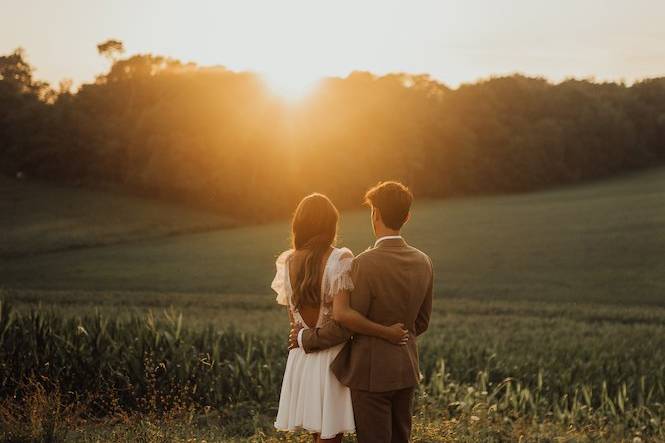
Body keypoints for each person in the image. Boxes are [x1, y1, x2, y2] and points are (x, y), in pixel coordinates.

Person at [293, 181, 434, 443]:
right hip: (405, 368)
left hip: (370, 375)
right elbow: (421, 322)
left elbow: (346, 322)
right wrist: (396, 337)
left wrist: (305, 338)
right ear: (407, 216)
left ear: (375, 214)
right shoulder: (423, 261)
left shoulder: (363, 264)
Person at [272, 193, 410, 442]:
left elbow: (294, 324)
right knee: (331, 436)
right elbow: (342, 318)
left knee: (319, 435)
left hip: (302, 358)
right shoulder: (340, 258)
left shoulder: (288, 261)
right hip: (335, 359)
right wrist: (385, 331)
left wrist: (302, 337)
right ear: (331, 224)